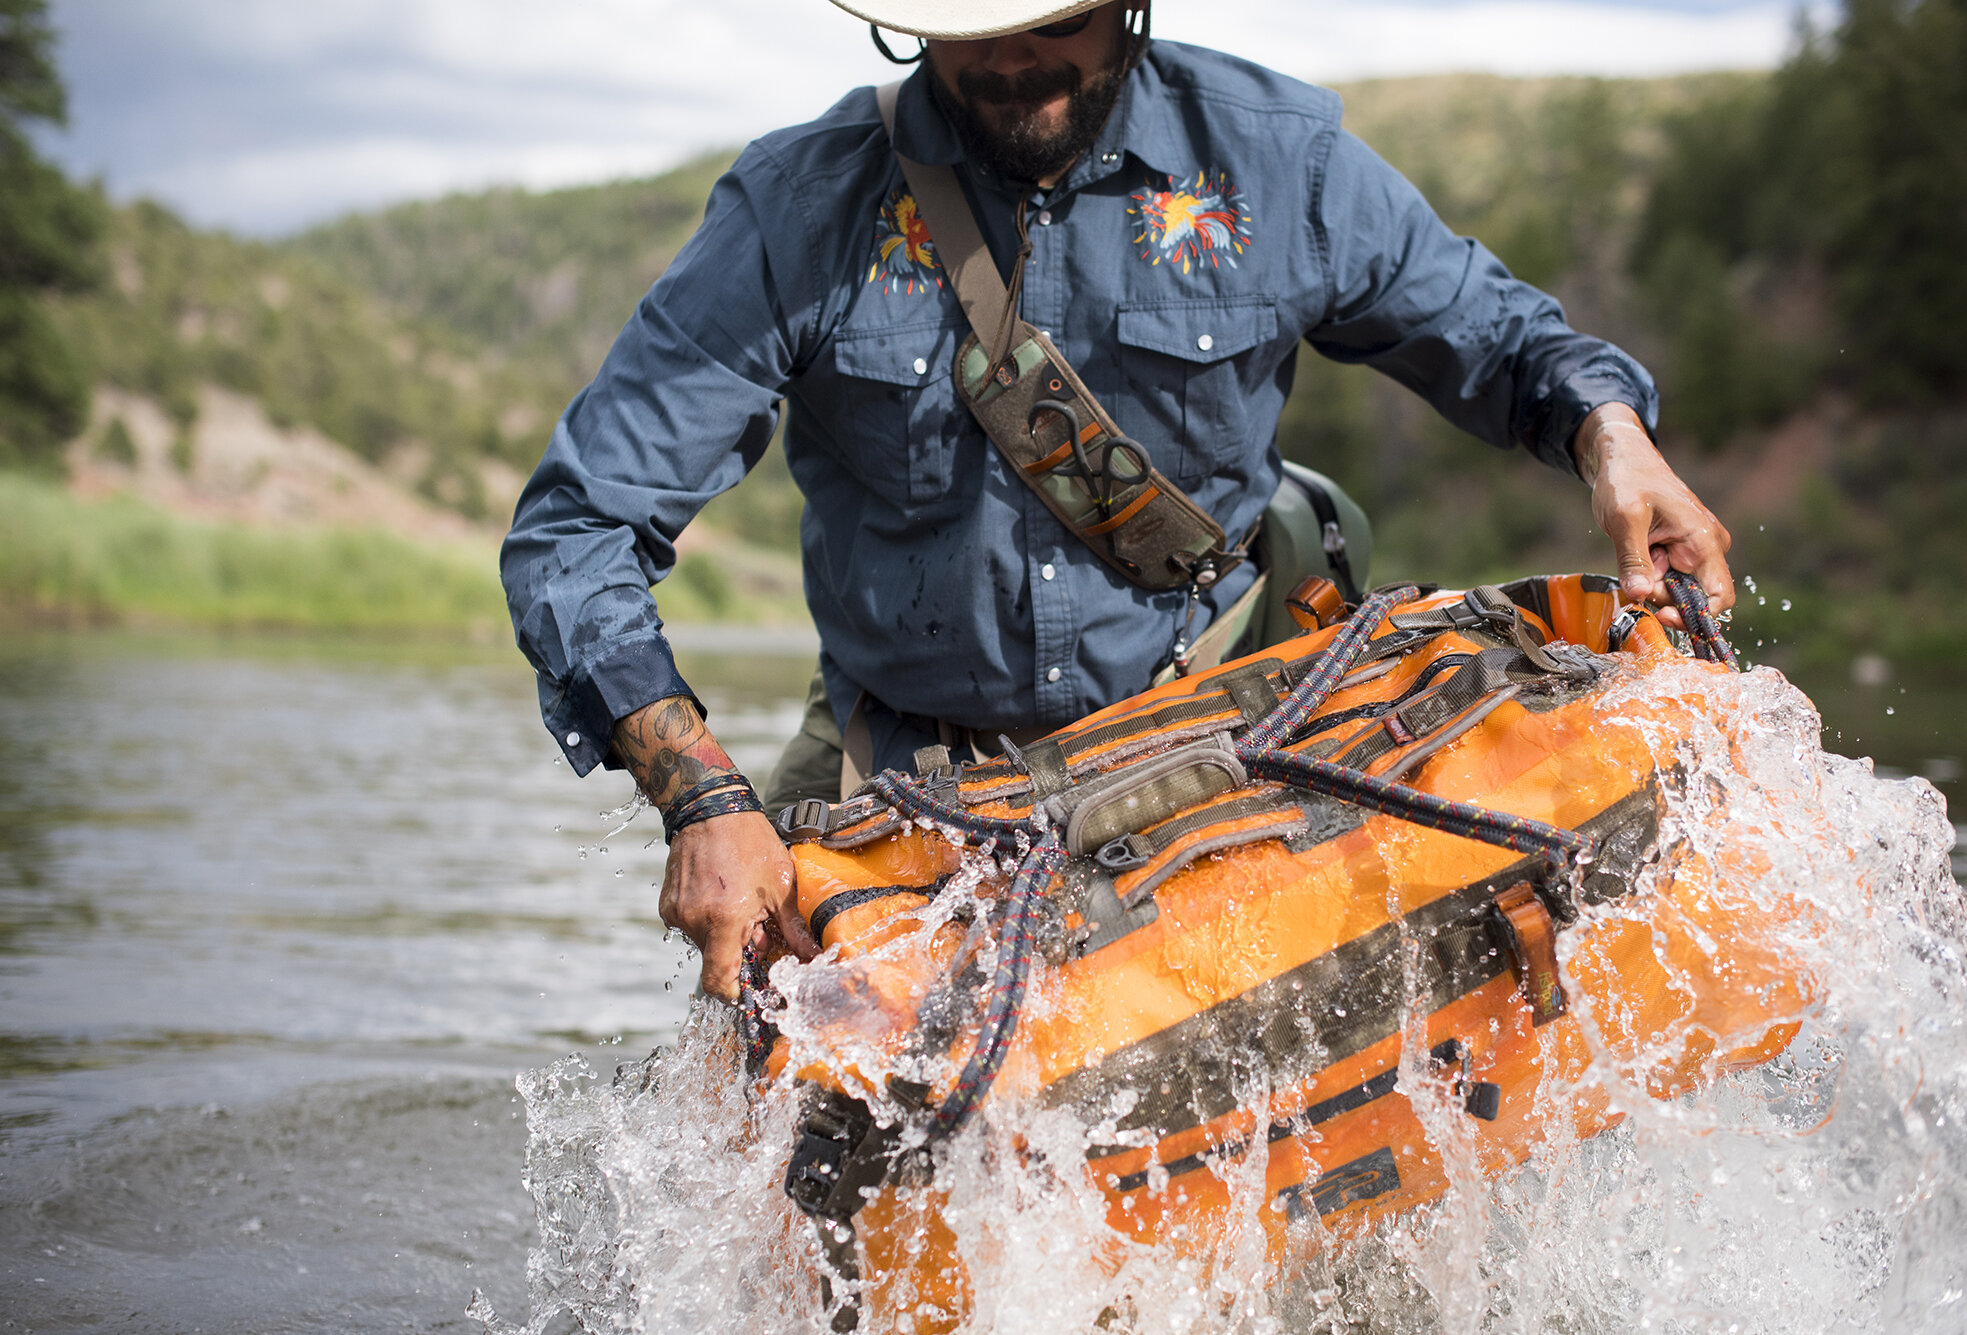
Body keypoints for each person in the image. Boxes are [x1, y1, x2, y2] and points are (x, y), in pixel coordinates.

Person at [500, 0, 1735, 1002]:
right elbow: (576, 530)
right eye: (971, 24)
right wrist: (706, 805)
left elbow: (1505, 342)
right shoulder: (797, 208)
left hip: (1236, 723)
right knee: (766, 1086)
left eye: (1054, 18)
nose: (1012, 56)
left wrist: (1609, 439)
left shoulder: (1275, 164)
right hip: (906, 753)